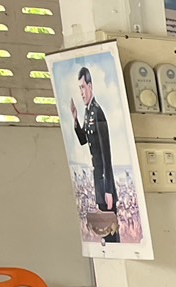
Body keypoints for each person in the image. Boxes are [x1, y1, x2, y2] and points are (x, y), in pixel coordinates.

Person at [70, 66, 119, 244]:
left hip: (105, 183)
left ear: (90, 86)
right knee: (103, 230)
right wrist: (75, 119)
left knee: (110, 228)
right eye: (79, 88)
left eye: (83, 87)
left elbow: (106, 153)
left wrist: (108, 189)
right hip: (98, 180)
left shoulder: (97, 112)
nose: (81, 92)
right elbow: (84, 140)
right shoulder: (87, 113)